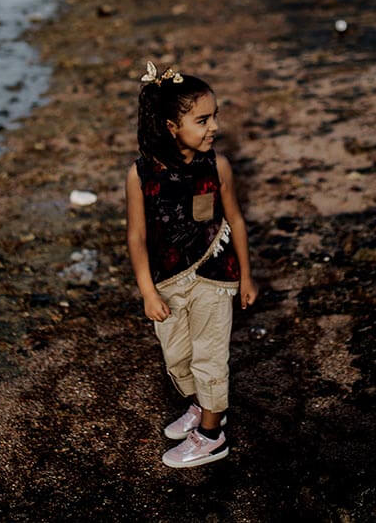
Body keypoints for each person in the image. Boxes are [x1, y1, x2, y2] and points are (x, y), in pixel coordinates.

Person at [125, 62, 257, 468]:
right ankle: (203, 406)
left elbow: (235, 219)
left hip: (216, 276)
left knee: (209, 358)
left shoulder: (216, 167)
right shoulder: (141, 174)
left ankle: (212, 435)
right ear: (170, 125)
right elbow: (137, 236)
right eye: (202, 119)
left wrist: (247, 276)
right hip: (167, 280)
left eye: (214, 116)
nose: (214, 126)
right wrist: (147, 291)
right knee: (177, 359)